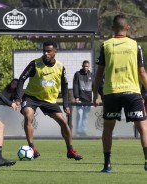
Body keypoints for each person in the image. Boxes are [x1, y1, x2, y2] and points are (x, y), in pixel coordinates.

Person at [93, 14, 147, 173]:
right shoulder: (135, 45)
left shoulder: (106, 45)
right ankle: (146, 160)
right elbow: (142, 72)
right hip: (132, 92)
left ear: (112, 28)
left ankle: (107, 164)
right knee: (143, 127)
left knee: (108, 128)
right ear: (128, 28)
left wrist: (95, 94)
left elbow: (99, 73)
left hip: (111, 93)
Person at [14, 40, 83, 160]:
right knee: (28, 116)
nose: (46, 53)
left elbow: (65, 85)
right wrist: (18, 98)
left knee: (64, 123)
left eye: (49, 51)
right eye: (44, 51)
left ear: (55, 52)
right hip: (31, 97)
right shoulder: (35, 64)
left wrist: (66, 104)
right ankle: (32, 148)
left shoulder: (60, 67)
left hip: (49, 100)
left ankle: (70, 150)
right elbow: (21, 79)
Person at [73, 60, 93, 136]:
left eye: (87, 66)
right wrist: (76, 97)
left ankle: (83, 131)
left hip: (88, 100)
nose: (85, 67)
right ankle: (78, 131)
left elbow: (94, 87)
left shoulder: (91, 75)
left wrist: (95, 98)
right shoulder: (77, 74)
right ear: (82, 66)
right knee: (80, 114)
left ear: (89, 66)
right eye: (84, 66)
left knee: (86, 116)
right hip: (80, 99)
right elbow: (75, 85)